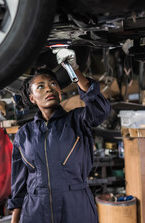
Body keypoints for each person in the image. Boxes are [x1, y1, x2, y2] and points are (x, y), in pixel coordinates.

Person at [8, 49, 111, 223]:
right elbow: (18, 187)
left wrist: (74, 69)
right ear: (32, 98)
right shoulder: (24, 134)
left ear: (60, 92)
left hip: (76, 206)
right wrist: (14, 220)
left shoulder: (78, 120)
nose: (49, 88)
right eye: (41, 86)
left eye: (53, 84)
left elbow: (100, 109)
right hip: (35, 210)